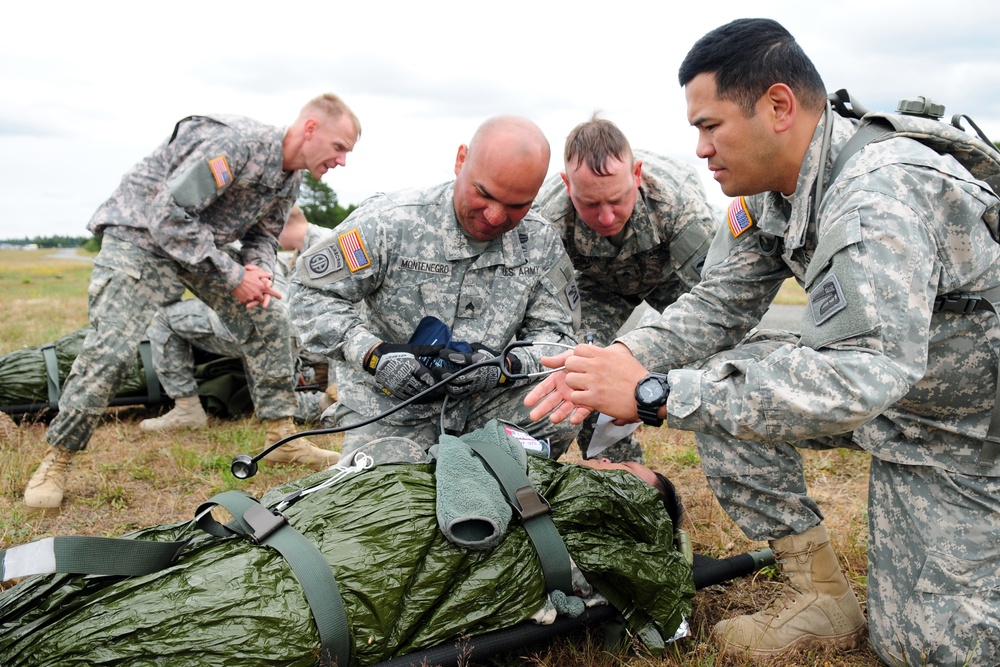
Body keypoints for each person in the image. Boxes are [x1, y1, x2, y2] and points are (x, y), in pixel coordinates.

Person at [525, 18, 1000, 666]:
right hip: (907, 409)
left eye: (709, 126)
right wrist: (629, 358)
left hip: (967, 431)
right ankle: (820, 594)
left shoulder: (877, 194)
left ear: (778, 106)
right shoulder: (771, 196)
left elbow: (860, 375)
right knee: (725, 379)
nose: (698, 149)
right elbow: (721, 301)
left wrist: (655, 393)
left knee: (941, 649)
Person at [0, 421, 692, 667]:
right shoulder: (522, 465)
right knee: (148, 572)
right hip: (313, 525)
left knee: (160, 621)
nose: (604, 465)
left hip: (338, 579)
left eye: (626, 472)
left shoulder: (602, 514)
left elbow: (664, 584)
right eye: (610, 464)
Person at [23, 94, 360, 514]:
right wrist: (234, 275)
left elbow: (263, 237)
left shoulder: (289, 179)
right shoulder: (236, 145)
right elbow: (168, 215)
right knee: (111, 352)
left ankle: (281, 439)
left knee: (270, 318)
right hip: (141, 240)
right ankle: (57, 458)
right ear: (310, 129)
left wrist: (257, 273)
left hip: (201, 251)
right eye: (340, 147)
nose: (343, 160)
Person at [290, 115, 582, 458]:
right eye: (484, 193)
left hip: (483, 406)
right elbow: (308, 293)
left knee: (565, 402)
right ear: (461, 161)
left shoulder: (540, 241)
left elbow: (558, 339)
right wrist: (372, 354)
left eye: (517, 205)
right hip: (391, 406)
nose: (494, 216)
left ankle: (477, 465)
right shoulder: (391, 222)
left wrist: (504, 368)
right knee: (392, 502)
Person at [534, 116, 717, 463]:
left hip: (670, 278)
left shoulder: (679, 204)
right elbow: (541, 305)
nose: (605, 218)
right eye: (590, 204)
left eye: (616, 200)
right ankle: (618, 469)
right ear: (567, 185)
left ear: (636, 174)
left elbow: (717, 299)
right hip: (600, 284)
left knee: (719, 357)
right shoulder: (547, 217)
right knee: (583, 364)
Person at [138, 205, 337, 432]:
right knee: (276, 402)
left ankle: (186, 408)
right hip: (285, 332)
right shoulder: (270, 247)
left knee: (165, 318)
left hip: (253, 326)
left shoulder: (204, 232)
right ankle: (326, 403)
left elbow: (167, 294)